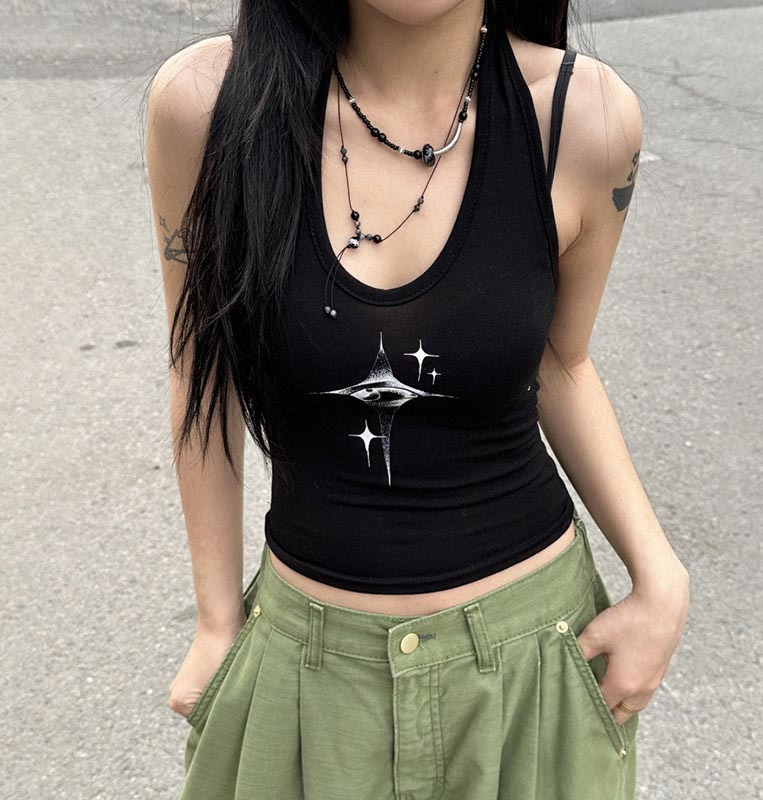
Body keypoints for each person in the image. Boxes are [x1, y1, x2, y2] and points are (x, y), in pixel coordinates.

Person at [145, 0, 690, 797]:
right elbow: (202, 369)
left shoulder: (585, 118)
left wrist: (660, 574)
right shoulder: (206, 105)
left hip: (532, 677)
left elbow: (561, 360)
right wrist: (216, 620)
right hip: (304, 679)